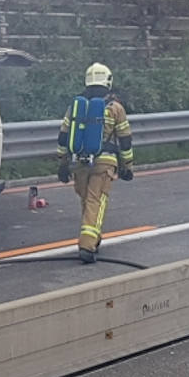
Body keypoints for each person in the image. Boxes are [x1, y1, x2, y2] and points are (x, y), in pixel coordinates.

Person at [56, 62, 134, 263]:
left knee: (86, 201)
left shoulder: (76, 106)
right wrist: (128, 166)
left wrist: (62, 164)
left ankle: (92, 238)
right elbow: (125, 139)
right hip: (104, 163)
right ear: (108, 81)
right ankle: (88, 246)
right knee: (96, 202)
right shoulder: (115, 108)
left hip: (79, 162)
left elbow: (63, 137)